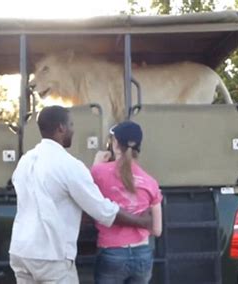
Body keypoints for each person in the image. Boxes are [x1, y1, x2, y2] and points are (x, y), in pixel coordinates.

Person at [9, 106, 152, 284]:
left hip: (20, 251)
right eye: (71, 124)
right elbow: (101, 209)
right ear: (61, 128)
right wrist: (143, 222)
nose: (73, 129)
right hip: (51, 254)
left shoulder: (26, 160)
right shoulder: (69, 165)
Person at [91, 121, 163, 284]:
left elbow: (88, 194)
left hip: (112, 253)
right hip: (142, 253)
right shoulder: (151, 182)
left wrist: (96, 163)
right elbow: (157, 230)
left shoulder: (99, 172)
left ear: (115, 144)